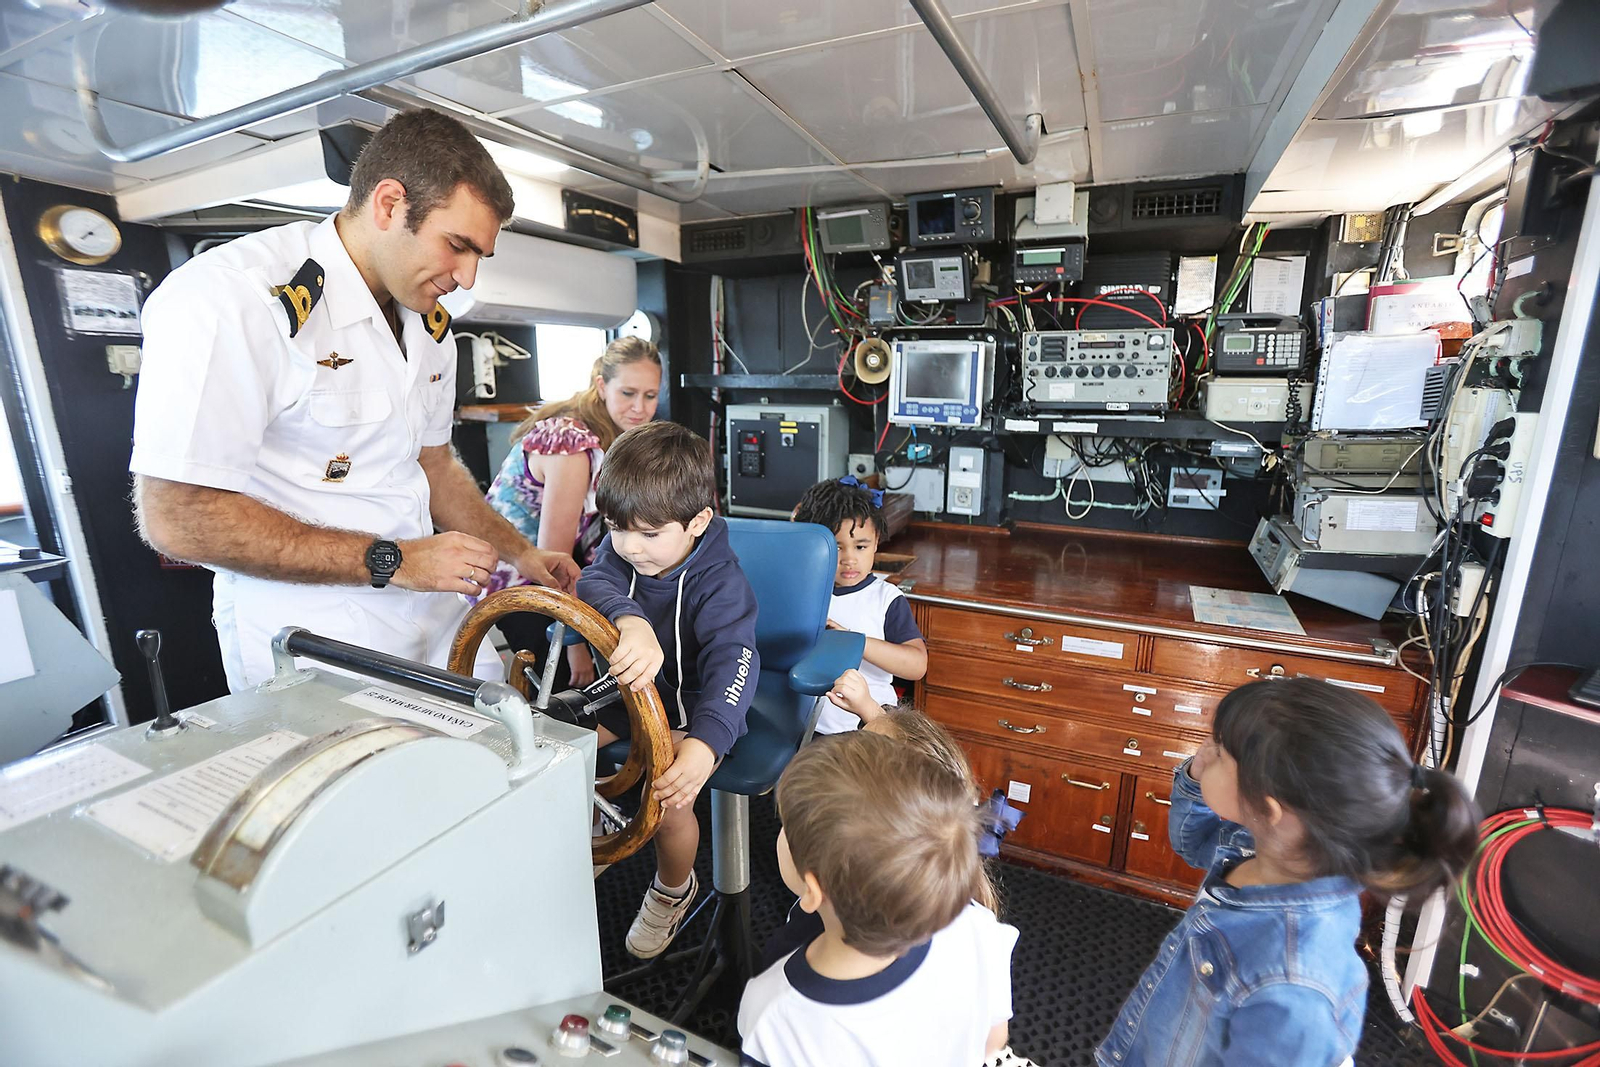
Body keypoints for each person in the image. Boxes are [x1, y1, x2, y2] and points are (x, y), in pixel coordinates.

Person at [130, 108, 579, 690]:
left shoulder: (430, 324)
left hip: (438, 620)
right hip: (318, 643)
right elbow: (179, 517)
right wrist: (396, 562)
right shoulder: (231, 300)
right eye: (457, 246)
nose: (468, 278)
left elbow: (433, 465)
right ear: (389, 204)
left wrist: (522, 553)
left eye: (479, 257)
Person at [1096, 678, 1480, 1067]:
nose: (1207, 752)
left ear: (1269, 807)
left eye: (1222, 754)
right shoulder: (1266, 848)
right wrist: (1196, 780)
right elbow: (1193, 845)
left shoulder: (1294, 986)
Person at [575, 421, 759, 958]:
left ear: (698, 521)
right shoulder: (625, 548)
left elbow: (735, 665)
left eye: (650, 534)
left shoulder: (724, 584)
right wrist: (631, 621)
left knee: (670, 801)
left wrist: (705, 746)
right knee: (563, 743)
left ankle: (672, 888)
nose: (629, 547)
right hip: (629, 694)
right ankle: (593, 836)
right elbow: (593, 580)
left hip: (695, 708)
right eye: (616, 527)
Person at [738, 730, 1019, 1067]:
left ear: (813, 892)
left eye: (786, 826)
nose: (781, 834)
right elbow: (993, 1041)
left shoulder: (773, 1011)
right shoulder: (976, 924)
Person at [481, 336, 662, 685]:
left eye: (650, 396)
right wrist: (574, 643)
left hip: (559, 579)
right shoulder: (571, 442)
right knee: (573, 689)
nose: (639, 407)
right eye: (628, 393)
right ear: (601, 386)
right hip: (520, 584)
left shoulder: (612, 436)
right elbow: (554, 563)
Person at [792, 478, 926, 733]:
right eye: (836, 547)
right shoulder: (800, 592)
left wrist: (855, 642)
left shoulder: (886, 598)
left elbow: (917, 665)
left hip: (870, 728)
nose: (850, 559)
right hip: (808, 730)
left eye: (861, 546)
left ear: (876, 541)